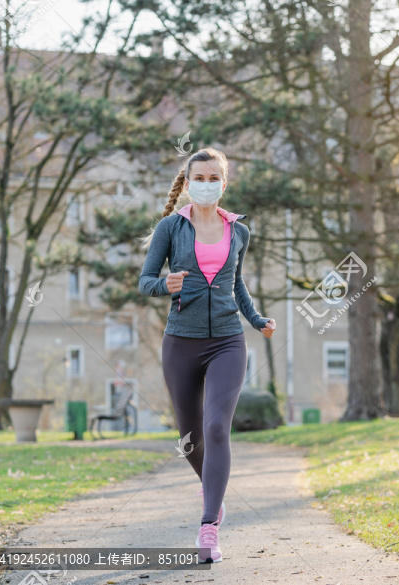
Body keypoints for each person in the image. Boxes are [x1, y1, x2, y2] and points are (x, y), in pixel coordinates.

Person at [138, 147, 276, 563]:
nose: (205, 184)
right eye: (198, 178)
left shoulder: (239, 231)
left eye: (213, 177)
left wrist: (255, 319)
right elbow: (145, 281)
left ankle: (209, 525)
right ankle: (212, 488)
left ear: (223, 182)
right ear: (188, 182)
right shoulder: (170, 227)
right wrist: (167, 285)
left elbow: (237, 284)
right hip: (180, 341)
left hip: (228, 342)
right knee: (189, 440)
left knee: (217, 428)